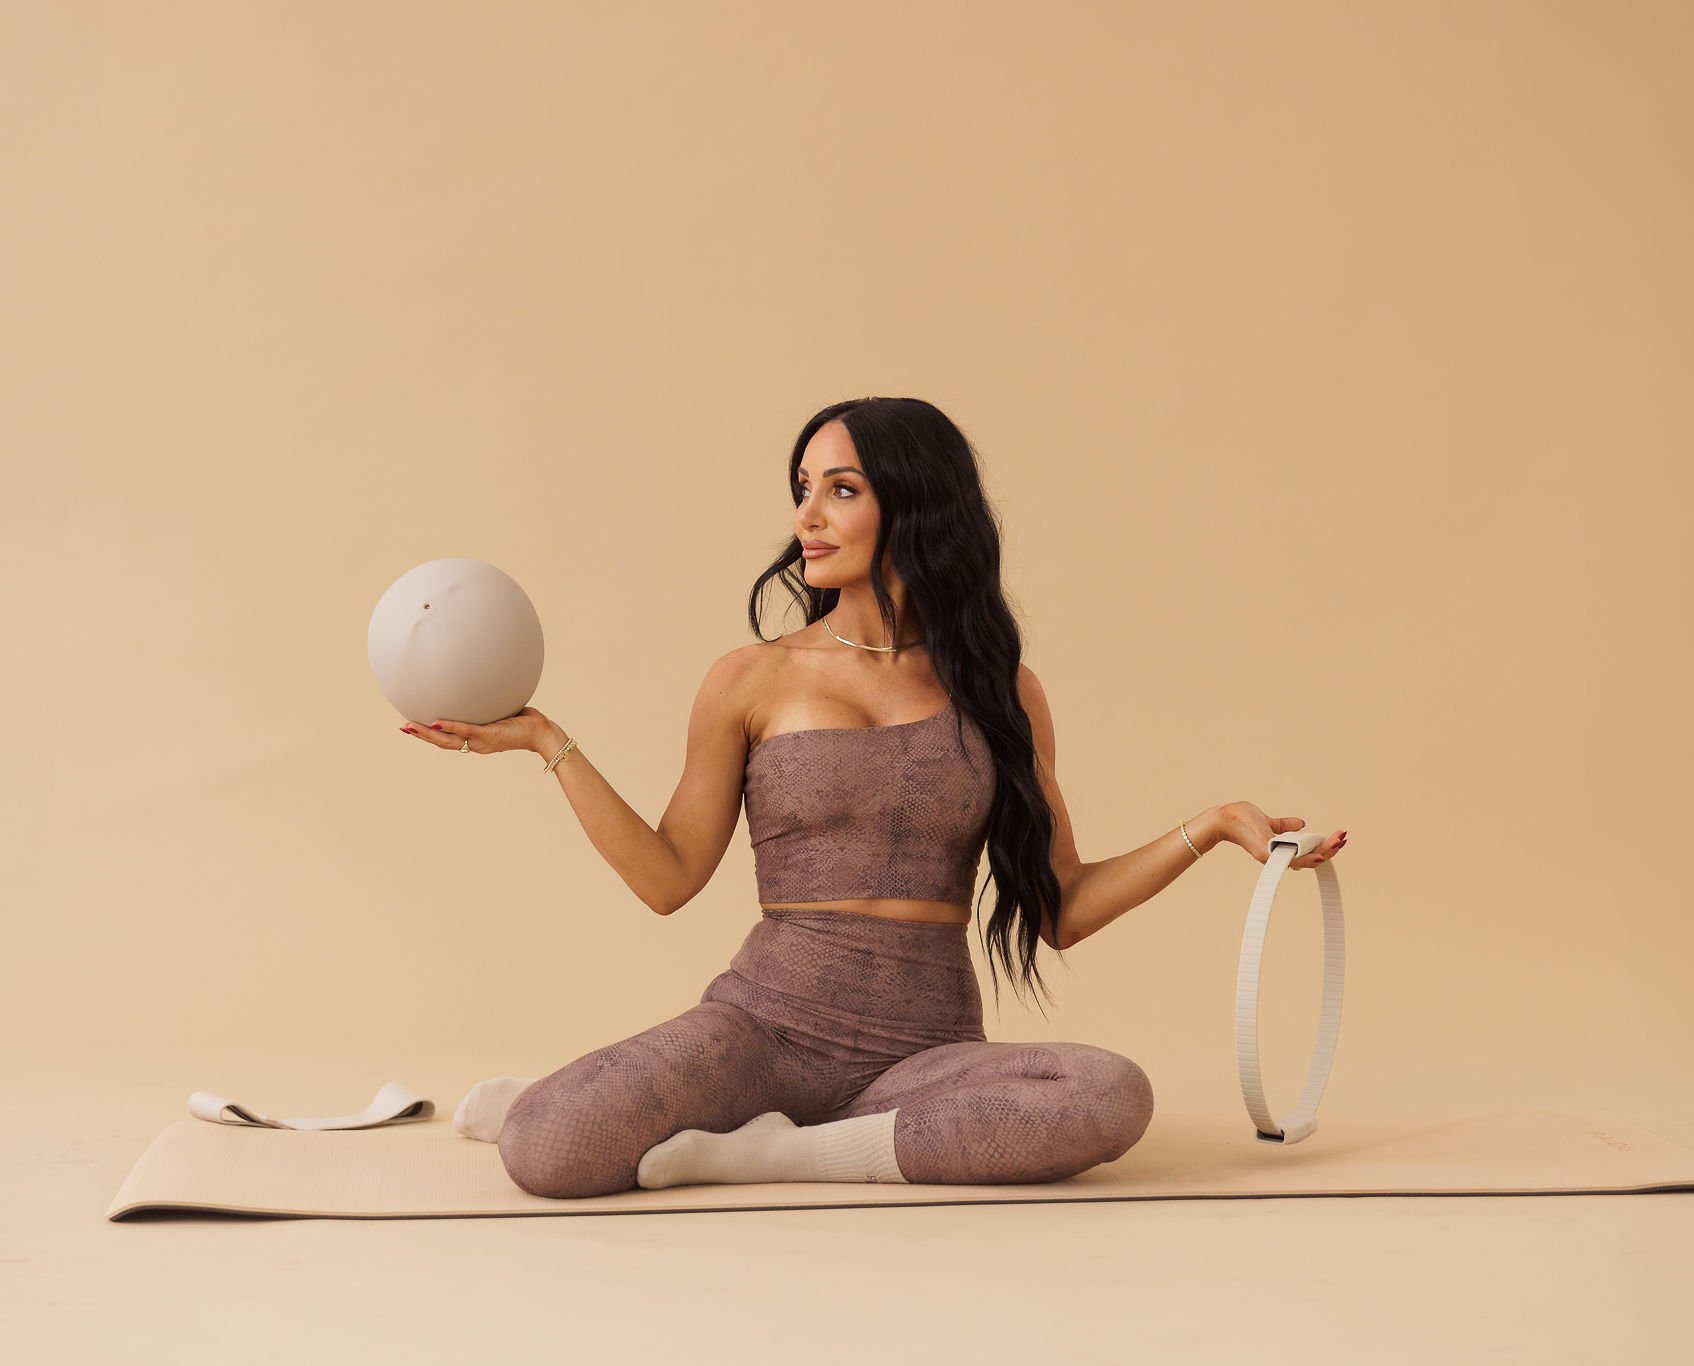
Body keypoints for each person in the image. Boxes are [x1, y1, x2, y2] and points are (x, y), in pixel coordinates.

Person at [402, 397, 1348, 1197]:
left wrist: (1216, 824)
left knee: (1109, 1096)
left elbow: (1057, 910)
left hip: (924, 1051)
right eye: (803, 491)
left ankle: (775, 1156)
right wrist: (543, 739)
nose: (808, 516)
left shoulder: (1001, 687)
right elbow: (668, 876)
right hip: (765, 1025)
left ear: (920, 509)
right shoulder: (752, 678)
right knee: (548, 1148)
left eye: (841, 490)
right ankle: (576, 1097)